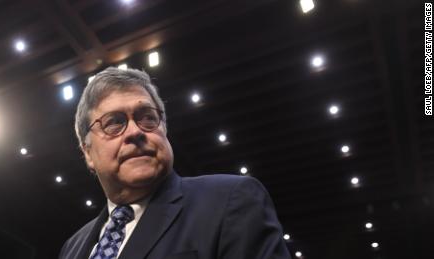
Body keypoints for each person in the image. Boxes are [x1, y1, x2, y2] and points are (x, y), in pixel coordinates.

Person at [59, 67, 291, 259]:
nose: (135, 132)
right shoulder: (72, 247)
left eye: (148, 117)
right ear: (87, 152)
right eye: (114, 123)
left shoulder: (232, 200)